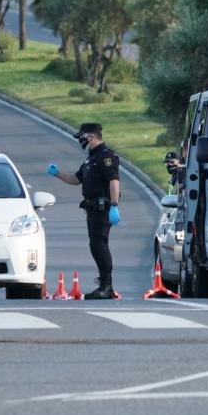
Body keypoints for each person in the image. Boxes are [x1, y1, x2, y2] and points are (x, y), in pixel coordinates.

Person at [47, 123, 121, 299]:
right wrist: (57, 174)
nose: (81, 140)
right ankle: (105, 286)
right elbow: (76, 179)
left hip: (103, 207)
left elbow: (113, 181)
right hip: (92, 208)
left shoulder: (105, 156)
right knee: (95, 243)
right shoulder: (90, 159)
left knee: (99, 243)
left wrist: (114, 205)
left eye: (82, 137)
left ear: (91, 137)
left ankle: (106, 286)